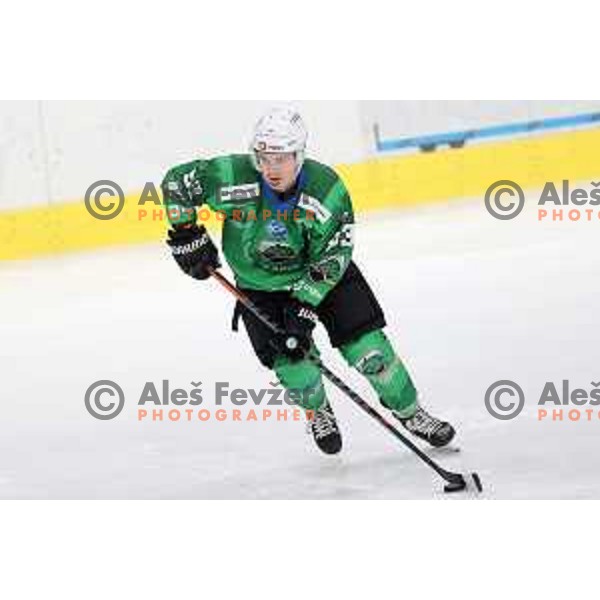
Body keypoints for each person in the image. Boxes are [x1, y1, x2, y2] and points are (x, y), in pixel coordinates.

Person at [162, 107, 456, 455]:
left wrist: (304, 305)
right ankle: (318, 412)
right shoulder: (231, 175)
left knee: (371, 351)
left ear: (299, 155)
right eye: (264, 158)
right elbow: (176, 183)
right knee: (295, 367)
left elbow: (335, 251)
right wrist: (186, 233)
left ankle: (411, 412)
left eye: (282, 158)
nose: (271, 168)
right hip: (260, 288)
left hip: (325, 279)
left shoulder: (326, 188)